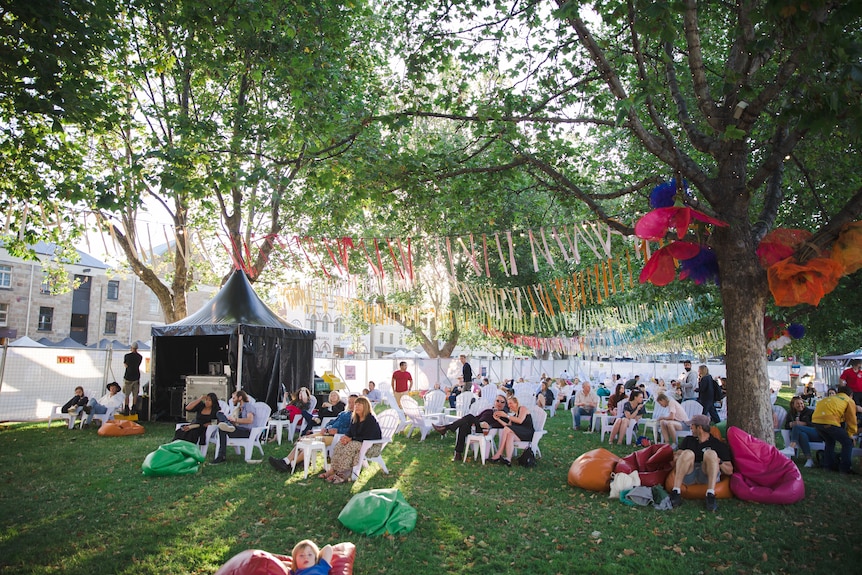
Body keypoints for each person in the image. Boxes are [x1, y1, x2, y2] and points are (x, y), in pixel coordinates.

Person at [269, 395, 358, 473]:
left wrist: (337, 431)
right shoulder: (343, 413)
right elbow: (332, 422)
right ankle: (287, 461)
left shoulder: (355, 416)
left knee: (309, 442)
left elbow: (351, 429)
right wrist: (326, 428)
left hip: (336, 437)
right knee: (303, 439)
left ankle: (291, 464)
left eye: (353, 403)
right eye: (349, 402)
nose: (351, 404)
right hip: (326, 433)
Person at [668, 414, 734, 512]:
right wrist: (680, 456)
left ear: (699, 428)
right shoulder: (688, 440)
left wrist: (718, 461)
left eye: (692, 426)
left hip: (706, 474)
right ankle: (676, 491)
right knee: (688, 453)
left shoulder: (718, 444)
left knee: (710, 454)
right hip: (689, 472)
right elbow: (675, 458)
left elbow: (730, 470)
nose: (690, 428)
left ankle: (710, 495)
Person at [320, 397, 382, 484]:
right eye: (356, 405)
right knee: (339, 445)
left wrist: (351, 439)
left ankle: (341, 474)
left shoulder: (370, 419)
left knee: (349, 447)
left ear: (366, 406)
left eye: (359, 405)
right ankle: (333, 470)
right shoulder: (355, 418)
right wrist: (345, 437)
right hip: (358, 442)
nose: (356, 406)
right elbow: (350, 432)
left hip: (371, 444)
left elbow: (368, 436)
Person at [432, 393, 508, 461]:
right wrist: (474, 422)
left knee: (469, 416)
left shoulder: (503, 414)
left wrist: (490, 426)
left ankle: (446, 428)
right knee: (463, 425)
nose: (499, 403)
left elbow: (501, 425)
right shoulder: (488, 410)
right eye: (498, 401)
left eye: (502, 402)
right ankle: (458, 454)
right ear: (494, 402)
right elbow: (477, 417)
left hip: (485, 430)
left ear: (505, 404)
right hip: (475, 426)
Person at [812, 384, 857, 474]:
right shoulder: (848, 400)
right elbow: (851, 419)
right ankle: (845, 468)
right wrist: (851, 434)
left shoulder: (831, 399)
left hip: (816, 421)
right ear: (851, 395)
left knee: (830, 441)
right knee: (847, 443)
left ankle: (827, 466)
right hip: (829, 421)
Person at [489, 396, 534, 466]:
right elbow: (507, 426)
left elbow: (520, 421)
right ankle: (508, 459)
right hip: (520, 435)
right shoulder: (513, 415)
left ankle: (499, 453)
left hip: (527, 433)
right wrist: (498, 419)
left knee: (507, 429)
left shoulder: (522, 408)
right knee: (510, 435)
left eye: (511, 403)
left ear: (516, 403)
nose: (509, 405)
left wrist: (506, 416)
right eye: (508, 404)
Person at [213, 390, 254, 464]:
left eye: (234, 398)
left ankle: (221, 456)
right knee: (220, 416)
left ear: (240, 397)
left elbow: (250, 420)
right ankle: (227, 424)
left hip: (246, 432)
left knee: (223, 427)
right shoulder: (237, 409)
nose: (232, 400)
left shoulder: (248, 406)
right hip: (236, 429)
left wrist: (235, 419)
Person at [785, 395, 818, 468]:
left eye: (801, 403)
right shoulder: (790, 414)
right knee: (802, 435)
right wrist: (791, 424)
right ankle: (809, 459)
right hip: (801, 435)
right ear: (793, 405)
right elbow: (786, 426)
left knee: (797, 427)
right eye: (797, 404)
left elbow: (815, 424)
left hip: (813, 433)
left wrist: (804, 424)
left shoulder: (810, 412)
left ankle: (791, 447)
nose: (800, 405)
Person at [122, 342, 143, 415]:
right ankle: (133, 408)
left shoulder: (127, 356)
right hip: (136, 376)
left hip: (128, 377)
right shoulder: (140, 357)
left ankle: (126, 408)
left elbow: (126, 365)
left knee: (126, 394)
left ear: (131, 348)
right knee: (135, 394)